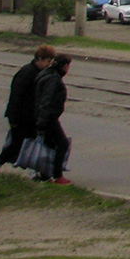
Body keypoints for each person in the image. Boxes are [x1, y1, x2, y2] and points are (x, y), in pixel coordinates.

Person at [0, 45, 55, 174]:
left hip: (30, 117)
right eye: (47, 61)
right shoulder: (27, 72)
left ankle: (33, 172)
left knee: (31, 144)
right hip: (21, 117)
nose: (49, 65)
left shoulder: (38, 73)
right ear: (39, 59)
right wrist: (14, 118)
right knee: (17, 144)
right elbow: (16, 96)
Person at [34, 54, 73, 185]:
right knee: (62, 144)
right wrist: (43, 122)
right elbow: (47, 100)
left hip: (45, 117)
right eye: (68, 66)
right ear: (64, 66)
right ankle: (57, 175)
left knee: (49, 146)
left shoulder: (46, 74)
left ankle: (45, 175)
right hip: (48, 118)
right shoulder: (53, 79)